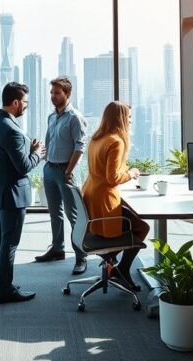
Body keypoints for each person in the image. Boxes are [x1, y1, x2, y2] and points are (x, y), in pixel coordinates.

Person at [0, 82, 43, 304]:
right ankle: (5, 290)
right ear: (16, 102)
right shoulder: (11, 130)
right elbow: (24, 167)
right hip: (12, 195)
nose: (26, 106)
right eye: (25, 102)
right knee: (9, 242)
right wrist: (37, 153)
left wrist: (27, 150)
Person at [82, 101, 150, 291]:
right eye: (128, 117)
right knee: (141, 227)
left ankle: (112, 261)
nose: (130, 121)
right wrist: (132, 173)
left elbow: (104, 171)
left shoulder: (97, 138)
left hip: (91, 193)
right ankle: (121, 268)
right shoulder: (116, 141)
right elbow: (112, 178)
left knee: (135, 223)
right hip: (105, 200)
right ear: (120, 118)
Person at [35, 77, 89, 275]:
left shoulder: (75, 117)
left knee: (73, 216)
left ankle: (81, 257)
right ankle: (57, 249)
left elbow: (80, 147)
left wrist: (69, 171)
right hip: (49, 169)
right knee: (54, 213)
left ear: (67, 94)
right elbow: (48, 143)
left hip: (66, 172)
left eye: (57, 93)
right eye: (51, 93)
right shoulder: (52, 117)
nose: (53, 96)